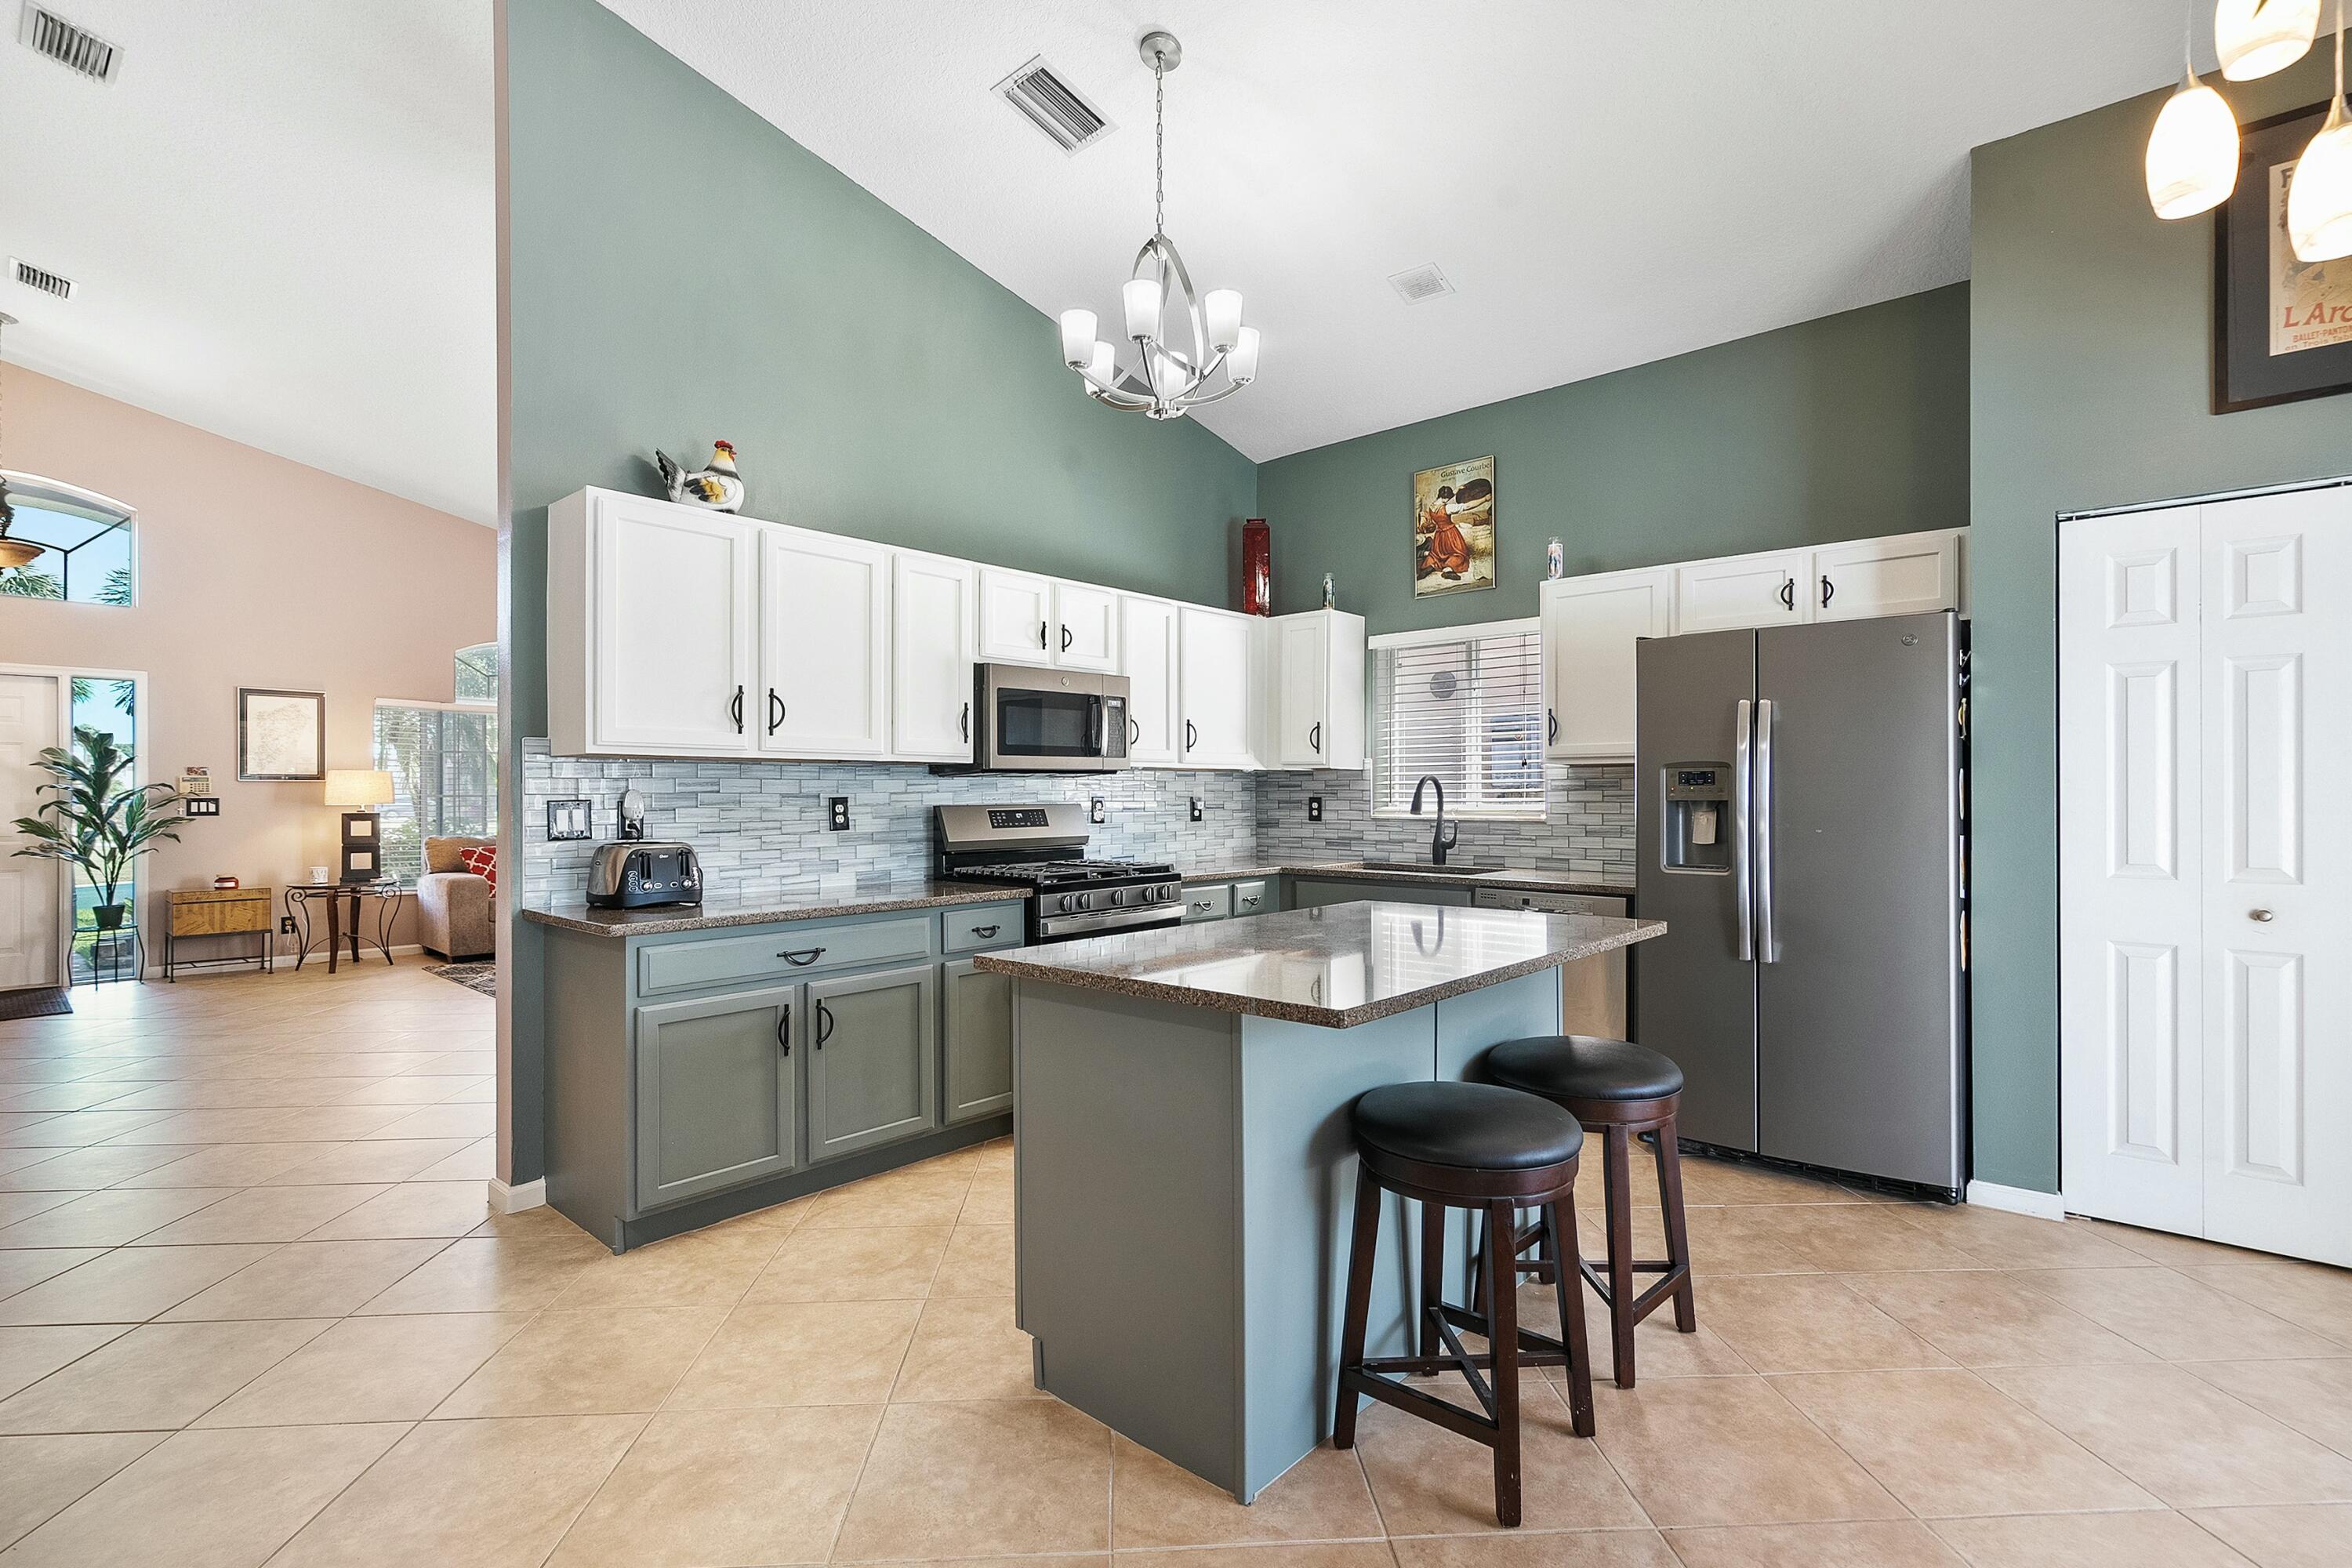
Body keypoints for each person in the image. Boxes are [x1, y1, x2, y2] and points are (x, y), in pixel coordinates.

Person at [1423, 485, 1470, 579]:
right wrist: (1485, 499)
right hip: (1450, 534)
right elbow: (1467, 506)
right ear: (1446, 498)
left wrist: (1458, 489)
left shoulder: (1432, 506)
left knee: (1438, 555)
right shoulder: (1447, 508)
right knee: (1459, 555)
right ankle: (1448, 569)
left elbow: (1448, 496)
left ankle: (1432, 566)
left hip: (1439, 536)